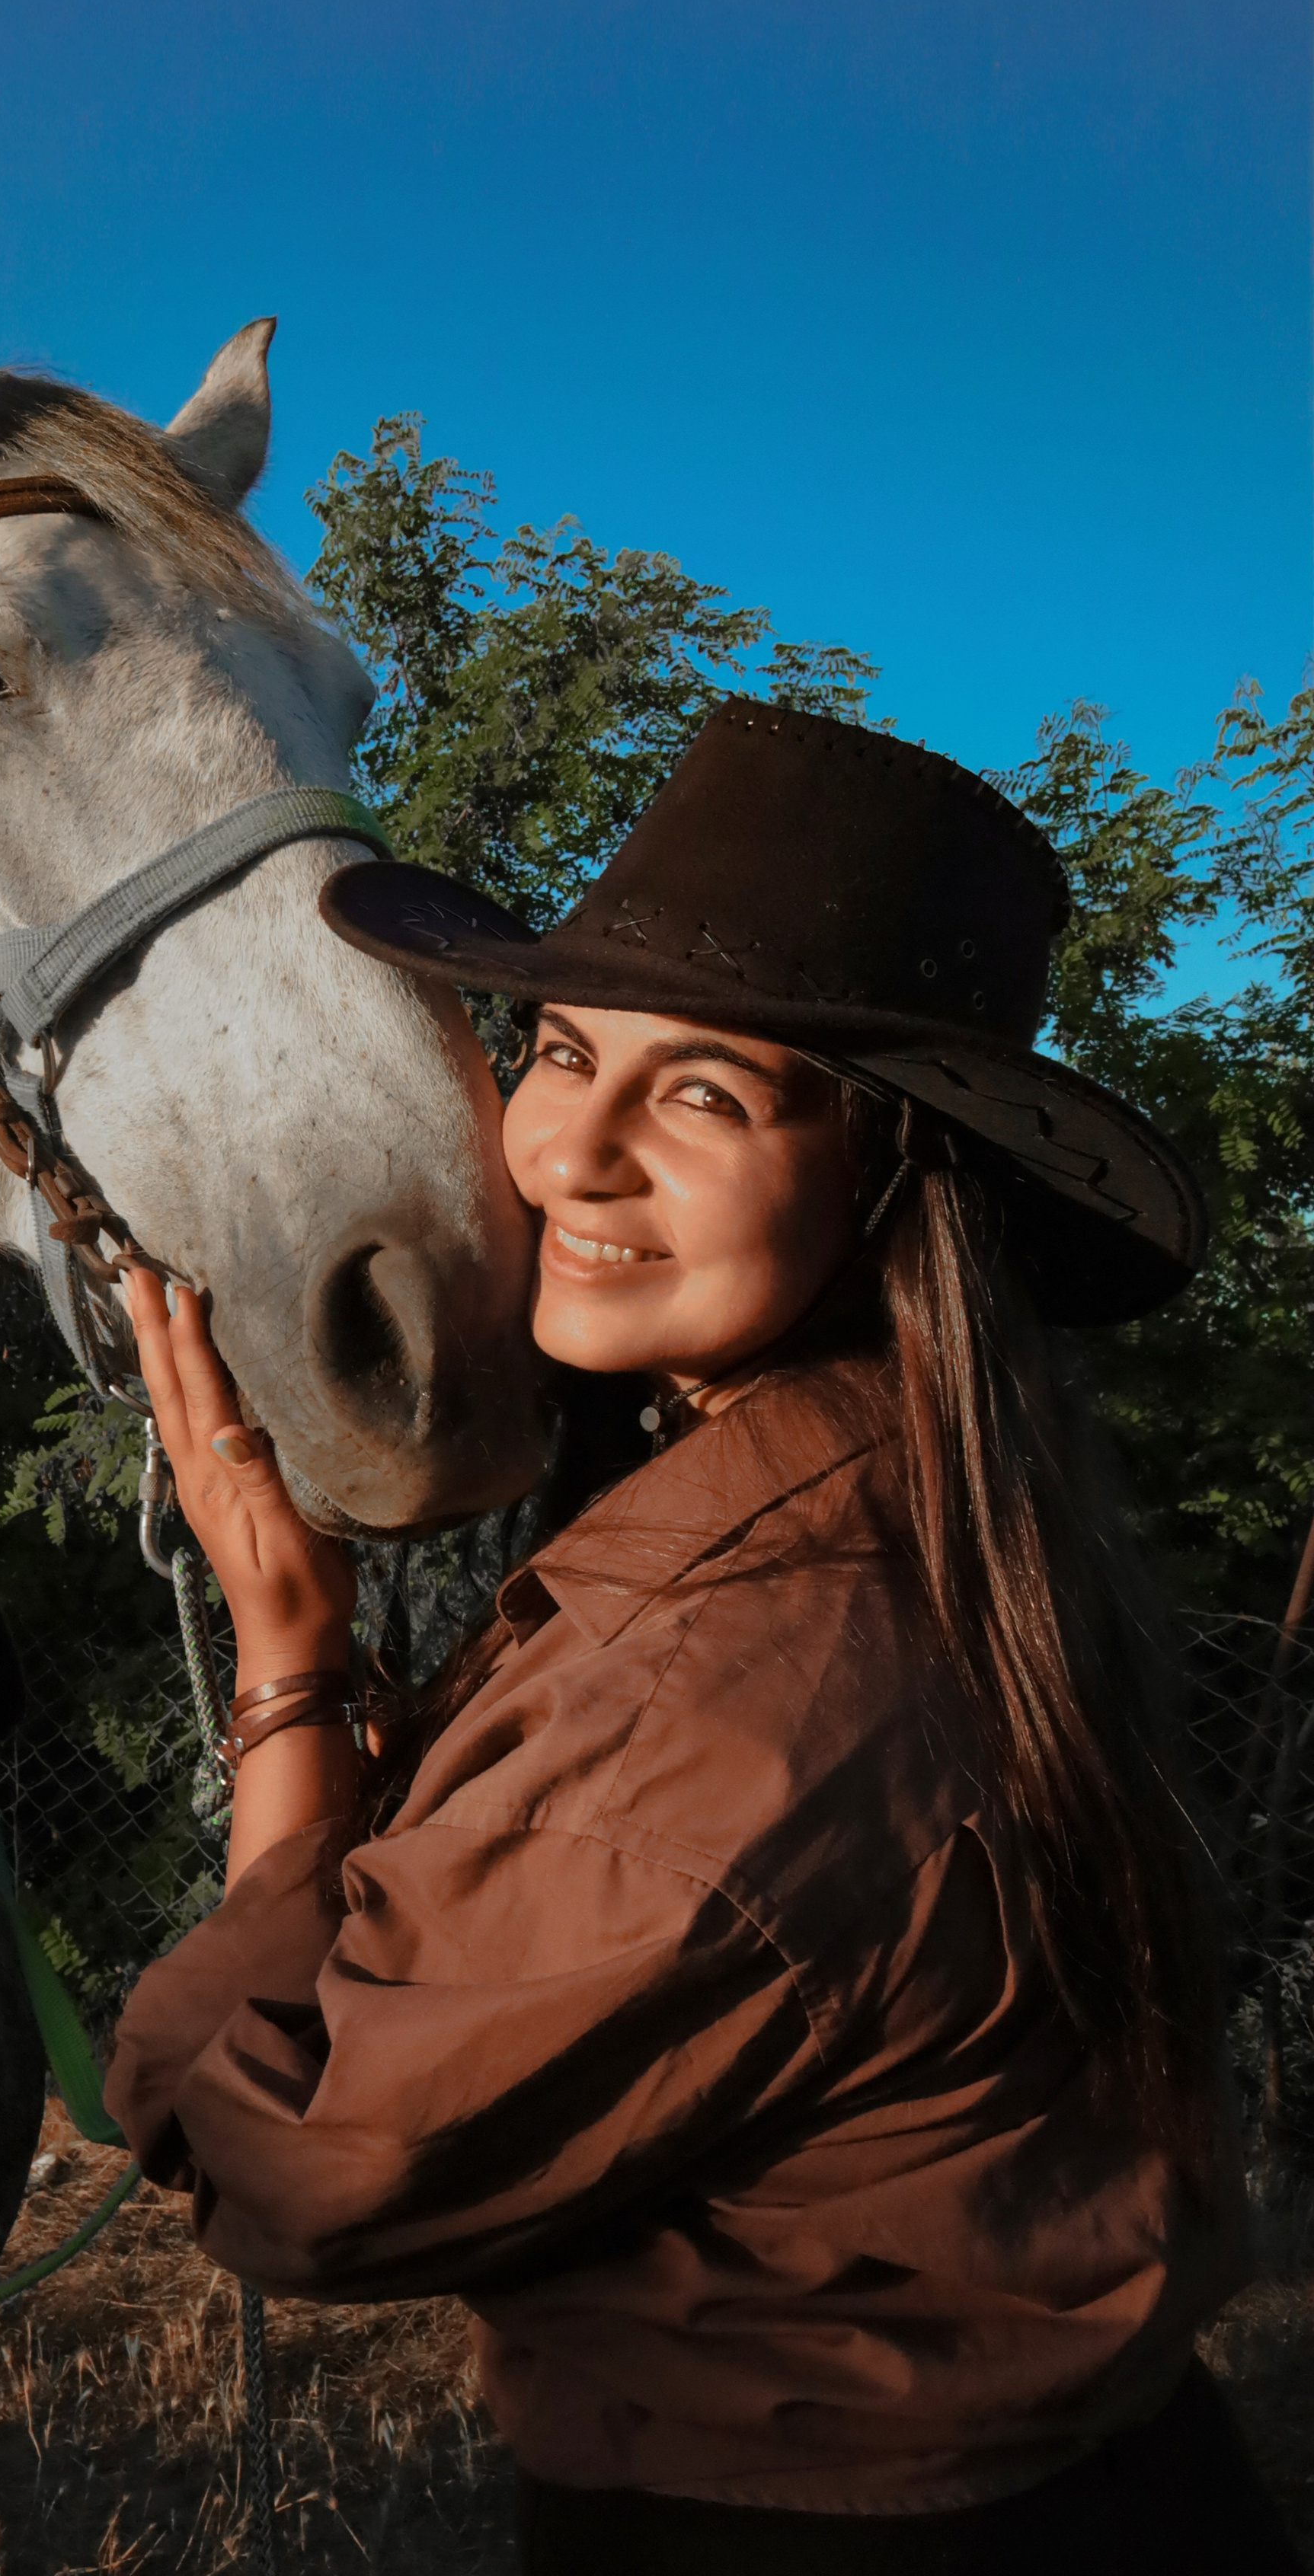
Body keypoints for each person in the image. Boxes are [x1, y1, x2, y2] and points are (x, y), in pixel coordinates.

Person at [107, 701, 1297, 2573]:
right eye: (561, 1051)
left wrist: (290, 1670)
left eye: (704, 1095)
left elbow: (293, 2170)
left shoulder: (723, 1704)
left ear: (892, 1177)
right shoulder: (925, 1511)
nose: (566, 1154)